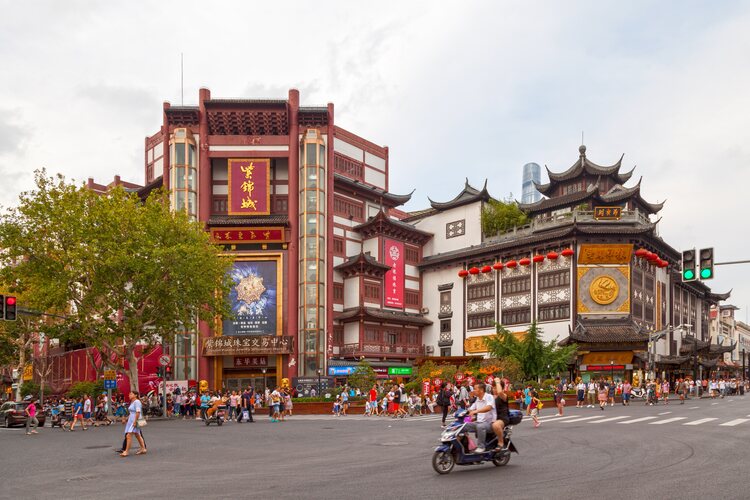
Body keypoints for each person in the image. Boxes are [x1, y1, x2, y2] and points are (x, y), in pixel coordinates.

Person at [463, 382, 496, 453]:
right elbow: (470, 409)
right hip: (479, 422)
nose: (473, 390)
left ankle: (481, 447)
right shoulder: (477, 399)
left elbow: (488, 407)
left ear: (481, 390)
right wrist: (463, 416)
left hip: (490, 424)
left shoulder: (489, 397)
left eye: (475, 389)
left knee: (480, 427)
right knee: (462, 425)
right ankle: (465, 447)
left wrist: (476, 411)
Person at [120, 391, 147, 457]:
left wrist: (135, 422)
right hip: (131, 420)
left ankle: (126, 451)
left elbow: (138, 412)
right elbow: (132, 413)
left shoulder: (137, 402)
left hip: (134, 420)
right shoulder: (133, 402)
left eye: (131, 394)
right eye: (129, 394)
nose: (129, 395)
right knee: (137, 434)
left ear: (136, 395)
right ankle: (143, 448)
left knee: (129, 435)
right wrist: (126, 419)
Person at [491, 379, 510, 450]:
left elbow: (500, 392)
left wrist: (497, 382)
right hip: (492, 418)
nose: (494, 389)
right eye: (493, 387)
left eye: (495, 387)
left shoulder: (503, 396)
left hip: (502, 418)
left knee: (496, 425)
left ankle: (500, 442)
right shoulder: (491, 397)